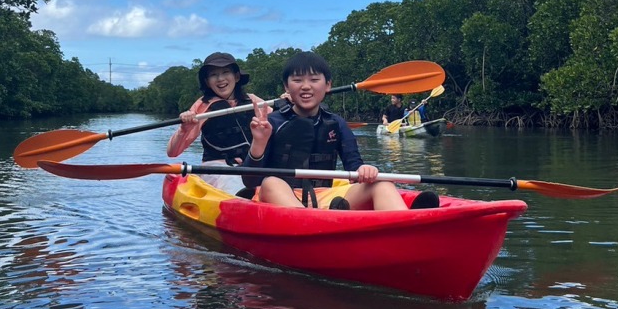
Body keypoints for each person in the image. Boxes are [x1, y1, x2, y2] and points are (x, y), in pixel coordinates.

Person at [242, 52, 438, 210]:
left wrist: (365, 170)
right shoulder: (271, 122)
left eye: (314, 79)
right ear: (286, 86)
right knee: (271, 182)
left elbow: (354, 165)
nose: (306, 86)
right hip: (279, 198)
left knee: (382, 182)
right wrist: (259, 142)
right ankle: (313, 222)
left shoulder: (336, 123)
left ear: (327, 85)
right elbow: (250, 181)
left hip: (324, 197)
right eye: (297, 80)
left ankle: (407, 224)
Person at [167, 52, 261, 191]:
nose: (220, 79)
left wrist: (288, 103)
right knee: (234, 183)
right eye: (213, 75)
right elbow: (172, 152)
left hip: (251, 166)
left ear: (236, 76)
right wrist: (184, 129)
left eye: (225, 72)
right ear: (207, 82)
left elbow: (280, 123)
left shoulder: (253, 101)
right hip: (217, 169)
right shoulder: (202, 106)